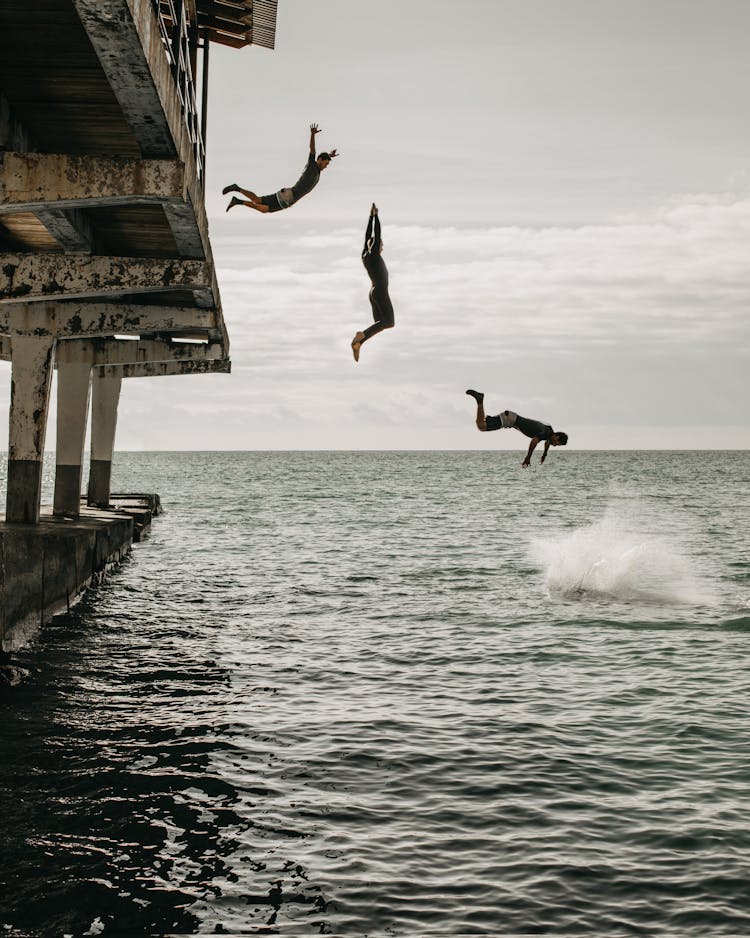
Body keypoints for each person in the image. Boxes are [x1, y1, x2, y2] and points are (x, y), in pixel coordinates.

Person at [223, 124, 338, 213]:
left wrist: (329, 155)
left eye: (327, 165)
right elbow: (312, 149)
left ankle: (237, 200)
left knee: (261, 208)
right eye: (325, 164)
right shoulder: (312, 166)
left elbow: (322, 157)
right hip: (288, 196)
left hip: (289, 199)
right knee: (259, 202)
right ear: (319, 160)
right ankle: (236, 190)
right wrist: (312, 134)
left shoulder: (317, 170)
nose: (326, 167)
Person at [466, 389, 568, 467]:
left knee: (482, 425)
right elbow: (534, 441)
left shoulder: (549, 431)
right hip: (510, 419)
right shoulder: (545, 433)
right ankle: (480, 399)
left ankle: (480, 400)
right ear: (557, 437)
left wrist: (544, 455)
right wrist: (528, 458)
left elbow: (548, 443)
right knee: (481, 426)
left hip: (510, 418)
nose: (555, 445)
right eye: (557, 444)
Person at [351, 203, 395, 362]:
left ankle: (360, 341)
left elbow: (367, 237)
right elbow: (376, 235)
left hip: (373, 292)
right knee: (389, 322)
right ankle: (361, 336)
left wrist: (370, 218)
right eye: (380, 244)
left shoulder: (365, 255)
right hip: (380, 292)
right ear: (376, 245)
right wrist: (376, 217)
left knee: (382, 322)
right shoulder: (374, 255)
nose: (382, 246)